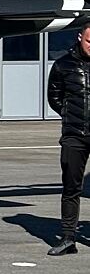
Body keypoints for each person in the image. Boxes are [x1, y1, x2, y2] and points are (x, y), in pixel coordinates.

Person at [46, 15, 90, 255]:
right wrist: (69, 114)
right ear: (80, 38)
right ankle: (67, 238)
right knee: (71, 187)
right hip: (75, 135)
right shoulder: (63, 65)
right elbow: (54, 97)